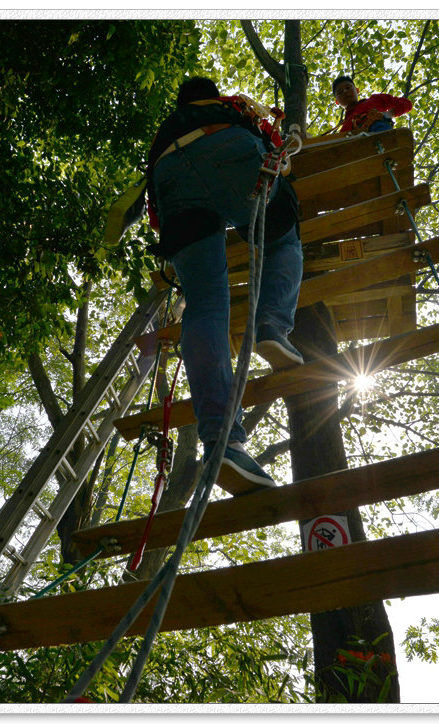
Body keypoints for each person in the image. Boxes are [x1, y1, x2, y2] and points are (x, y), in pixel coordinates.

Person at [144, 76, 303, 494]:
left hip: (170, 180)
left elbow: (155, 210)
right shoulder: (231, 106)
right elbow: (269, 142)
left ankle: (221, 441)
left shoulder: (169, 127)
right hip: (227, 148)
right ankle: (272, 325)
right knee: (282, 232)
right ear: (210, 91)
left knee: (206, 306)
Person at [332, 74, 412, 134]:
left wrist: (390, 113)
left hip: (381, 133)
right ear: (337, 102)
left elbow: (406, 103)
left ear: (357, 90)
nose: (345, 92)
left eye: (348, 87)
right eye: (340, 92)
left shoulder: (375, 100)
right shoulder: (344, 129)